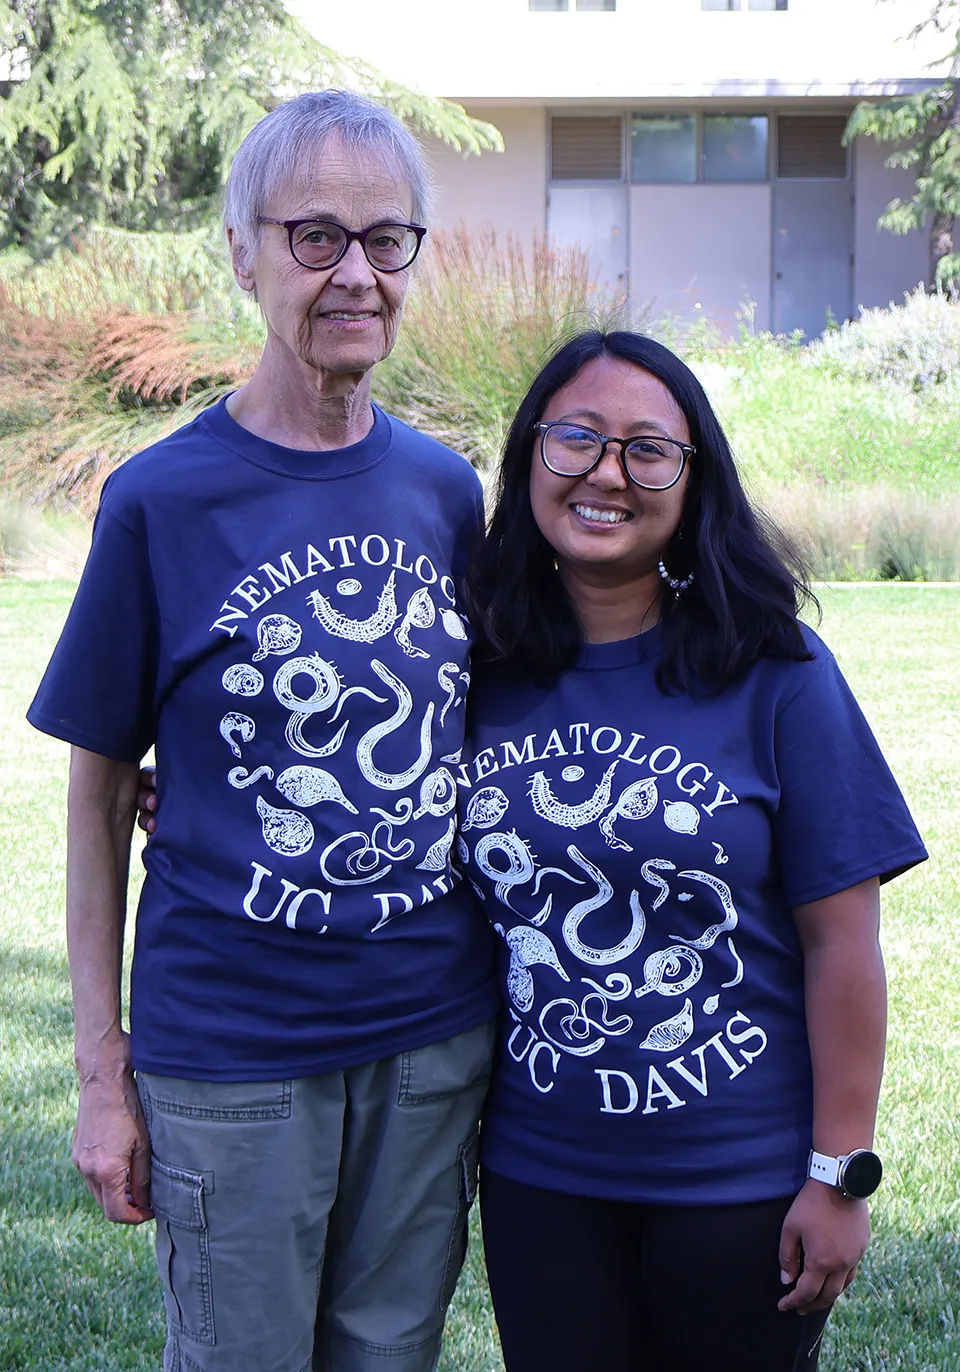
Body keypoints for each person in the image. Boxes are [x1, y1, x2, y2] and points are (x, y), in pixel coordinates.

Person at [27, 90, 498, 1372]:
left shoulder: (444, 491)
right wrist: (99, 1073)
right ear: (244, 253)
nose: (356, 272)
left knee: (388, 1356)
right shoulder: (162, 500)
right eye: (315, 237)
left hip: (431, 1040)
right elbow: (93, 800)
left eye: (387, 240)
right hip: (233, 1054)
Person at [456, 330, 927, 1372]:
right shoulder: (478, 668)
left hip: (741, 1184)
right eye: (575, 437)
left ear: (693, 479)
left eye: (647, 450)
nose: (606, 472)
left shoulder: (777, 671)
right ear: (531, 453)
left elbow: (844, 944)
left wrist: (839, 1171)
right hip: (543, 1179)